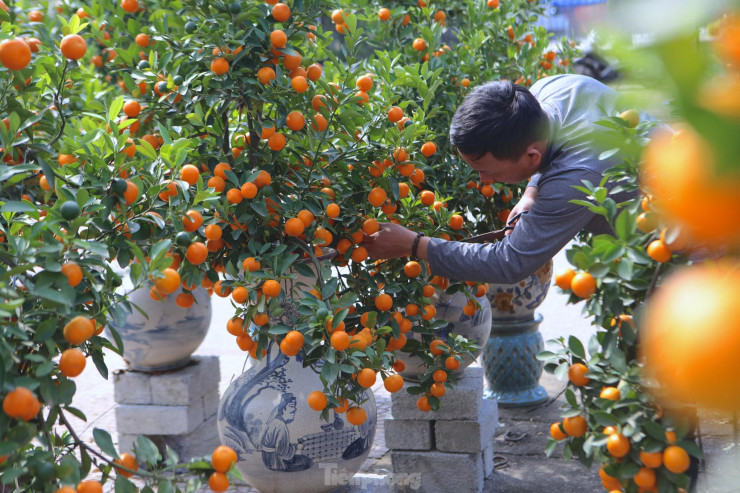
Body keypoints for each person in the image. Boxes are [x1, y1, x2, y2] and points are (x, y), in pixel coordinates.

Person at [362, 74, 656, 283]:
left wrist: (414, 245)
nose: (483, 181)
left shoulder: (577, 179)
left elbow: (510, 262)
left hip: (686, 234)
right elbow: (550, 153)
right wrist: (531, 192)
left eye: (490, 171)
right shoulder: (547, 92)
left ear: (531, 157)